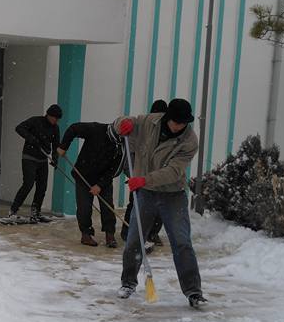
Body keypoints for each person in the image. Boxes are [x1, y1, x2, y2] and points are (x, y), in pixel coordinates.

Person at [117, 98, 207, 308]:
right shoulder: (149, 122)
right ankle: (128, 283)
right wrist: (121, 123)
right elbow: (121, 123)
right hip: (145, 194)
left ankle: (193, 292)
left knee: (182, 242)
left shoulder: (189, 141)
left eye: (183, 123)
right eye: (175, 122)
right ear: (167, 118)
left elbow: (174, 171)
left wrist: (144, 179)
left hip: (172, 194)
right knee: (134, 241)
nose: (179, 126)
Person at [56, 119, 127, 248]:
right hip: (83, 174)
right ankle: (86, 234)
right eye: (120, 136)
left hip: (103, 179)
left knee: (107, 207)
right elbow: (73, 128)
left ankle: (110, 234)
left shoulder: (122, 145)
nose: (121, 138)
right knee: (84, 207)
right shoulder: (96, 129)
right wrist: (63, 146)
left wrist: (100, 185)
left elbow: (114, 170)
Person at [121, 99, 168, 244]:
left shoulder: (166, 132)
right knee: (136, 204)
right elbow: (129, 155)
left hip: (158, 178)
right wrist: (133, 175)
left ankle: (152, 233)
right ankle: (128, 232)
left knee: (159, 206)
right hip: (139, 176)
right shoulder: (141, 129)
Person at [9, 104, 62, 222]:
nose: (56, 121)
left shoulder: (55, 128)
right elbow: (19, 128)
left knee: (42, 186)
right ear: (48, 115)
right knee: (28, 183)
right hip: (29, 157)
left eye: (58, 119)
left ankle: (35, 212)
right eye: (55, 118)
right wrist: (31, 138)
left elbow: (56, 144)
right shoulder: (35, 121)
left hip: (42, 158)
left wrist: (55, 158)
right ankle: (13, 210)